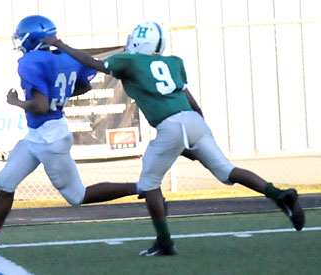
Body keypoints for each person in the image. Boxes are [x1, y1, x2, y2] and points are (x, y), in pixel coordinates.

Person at [40, 21, 306, 256]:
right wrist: (196, 135)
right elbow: (191, 101)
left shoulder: (128, 60)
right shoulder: (173, 62)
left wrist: (61, 44)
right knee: (227, 170)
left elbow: (94, 63)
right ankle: (278, 193)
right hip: (193, 121)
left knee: (149, 183)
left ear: (137, 40)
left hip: (171, 126)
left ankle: (165, 241)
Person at [0, 15, 138, 260]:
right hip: (40, 134)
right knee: (5, 181)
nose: (19, 41)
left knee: (77, 196)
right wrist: (57, 97)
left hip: (50, 137)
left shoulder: (30, 61)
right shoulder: (68, 57)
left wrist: (16, 102)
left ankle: (140, 186)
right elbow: (84, 87)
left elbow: (39, 107)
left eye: (22, 36)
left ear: (33, 38)